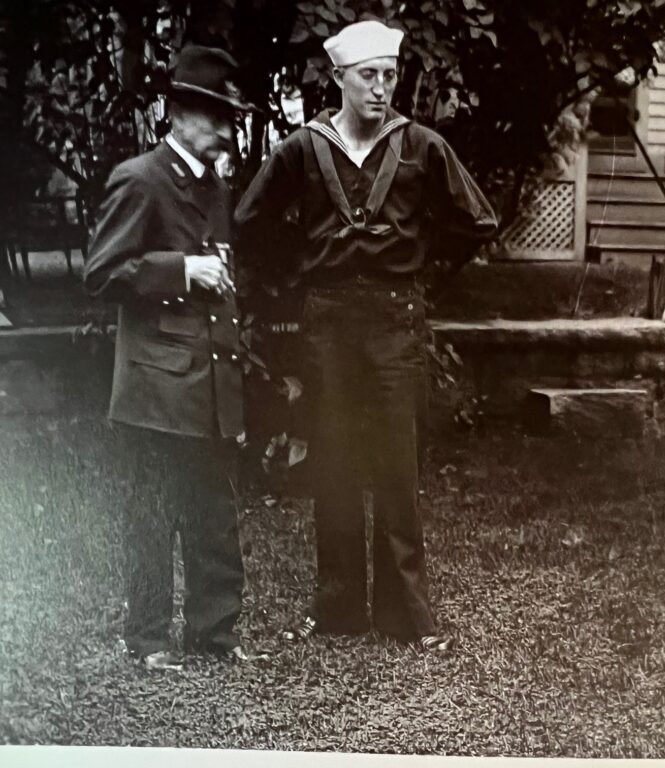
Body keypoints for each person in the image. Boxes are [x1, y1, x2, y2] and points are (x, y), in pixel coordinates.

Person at [235, 19, 497, 652]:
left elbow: (478, 220)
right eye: (368, 77)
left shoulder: (421, 145)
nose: (381, 89)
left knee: (395, 464)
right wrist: (294, 273)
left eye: (389, 75)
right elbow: (249, 220)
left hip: (394, 323)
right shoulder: (303, 147)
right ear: (339, 79)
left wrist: (423, 270)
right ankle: (340, 610)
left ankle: (405, 615)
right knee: (333, 461)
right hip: (325, 324)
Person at [85, 45, 261, 670]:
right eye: (217, 116)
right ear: (180, 112)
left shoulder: (214, 186)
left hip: (209, 378)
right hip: (157, 387)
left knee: (214, 512)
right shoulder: (140, 179)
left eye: (230, 117)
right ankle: (149, 640)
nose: (227, 129)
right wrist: (182, 269)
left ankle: (215, 636)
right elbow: (102, 273)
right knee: (154, 516)